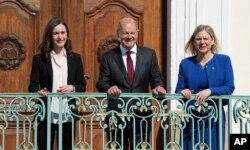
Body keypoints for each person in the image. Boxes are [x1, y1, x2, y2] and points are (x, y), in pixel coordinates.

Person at [96, 16, 166, 150]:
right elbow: (101, 83)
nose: (129, 36)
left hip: (142, 114)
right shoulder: (108, 56)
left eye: (132, 32)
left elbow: (156, 78)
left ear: (137, 33)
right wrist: (109, 88)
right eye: (125, 33)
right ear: (119, 34)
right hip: (116, 115)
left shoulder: (149, 54)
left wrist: (158, 87)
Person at [28, 17, 86, 150]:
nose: (60, 37)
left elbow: (81, 85)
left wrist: (72, 87)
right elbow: (32, 86)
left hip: (68, 114)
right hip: (45, 115)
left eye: (63, 33)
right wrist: (39, 92)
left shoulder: (75, 59)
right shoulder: (39, 59)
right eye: (56, 33)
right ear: (50, 35)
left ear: (67, 34)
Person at [175, 25, 235, 150]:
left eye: (206, 39)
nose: (202, 42)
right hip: (191, 116)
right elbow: (178, 91)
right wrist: (183, 91)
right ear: (193, 42)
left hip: (214, 117)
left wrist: (210, 91)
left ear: (212, 41)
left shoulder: (224, 60)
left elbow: (229, 87)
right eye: (198, 39)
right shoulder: (185, 63)